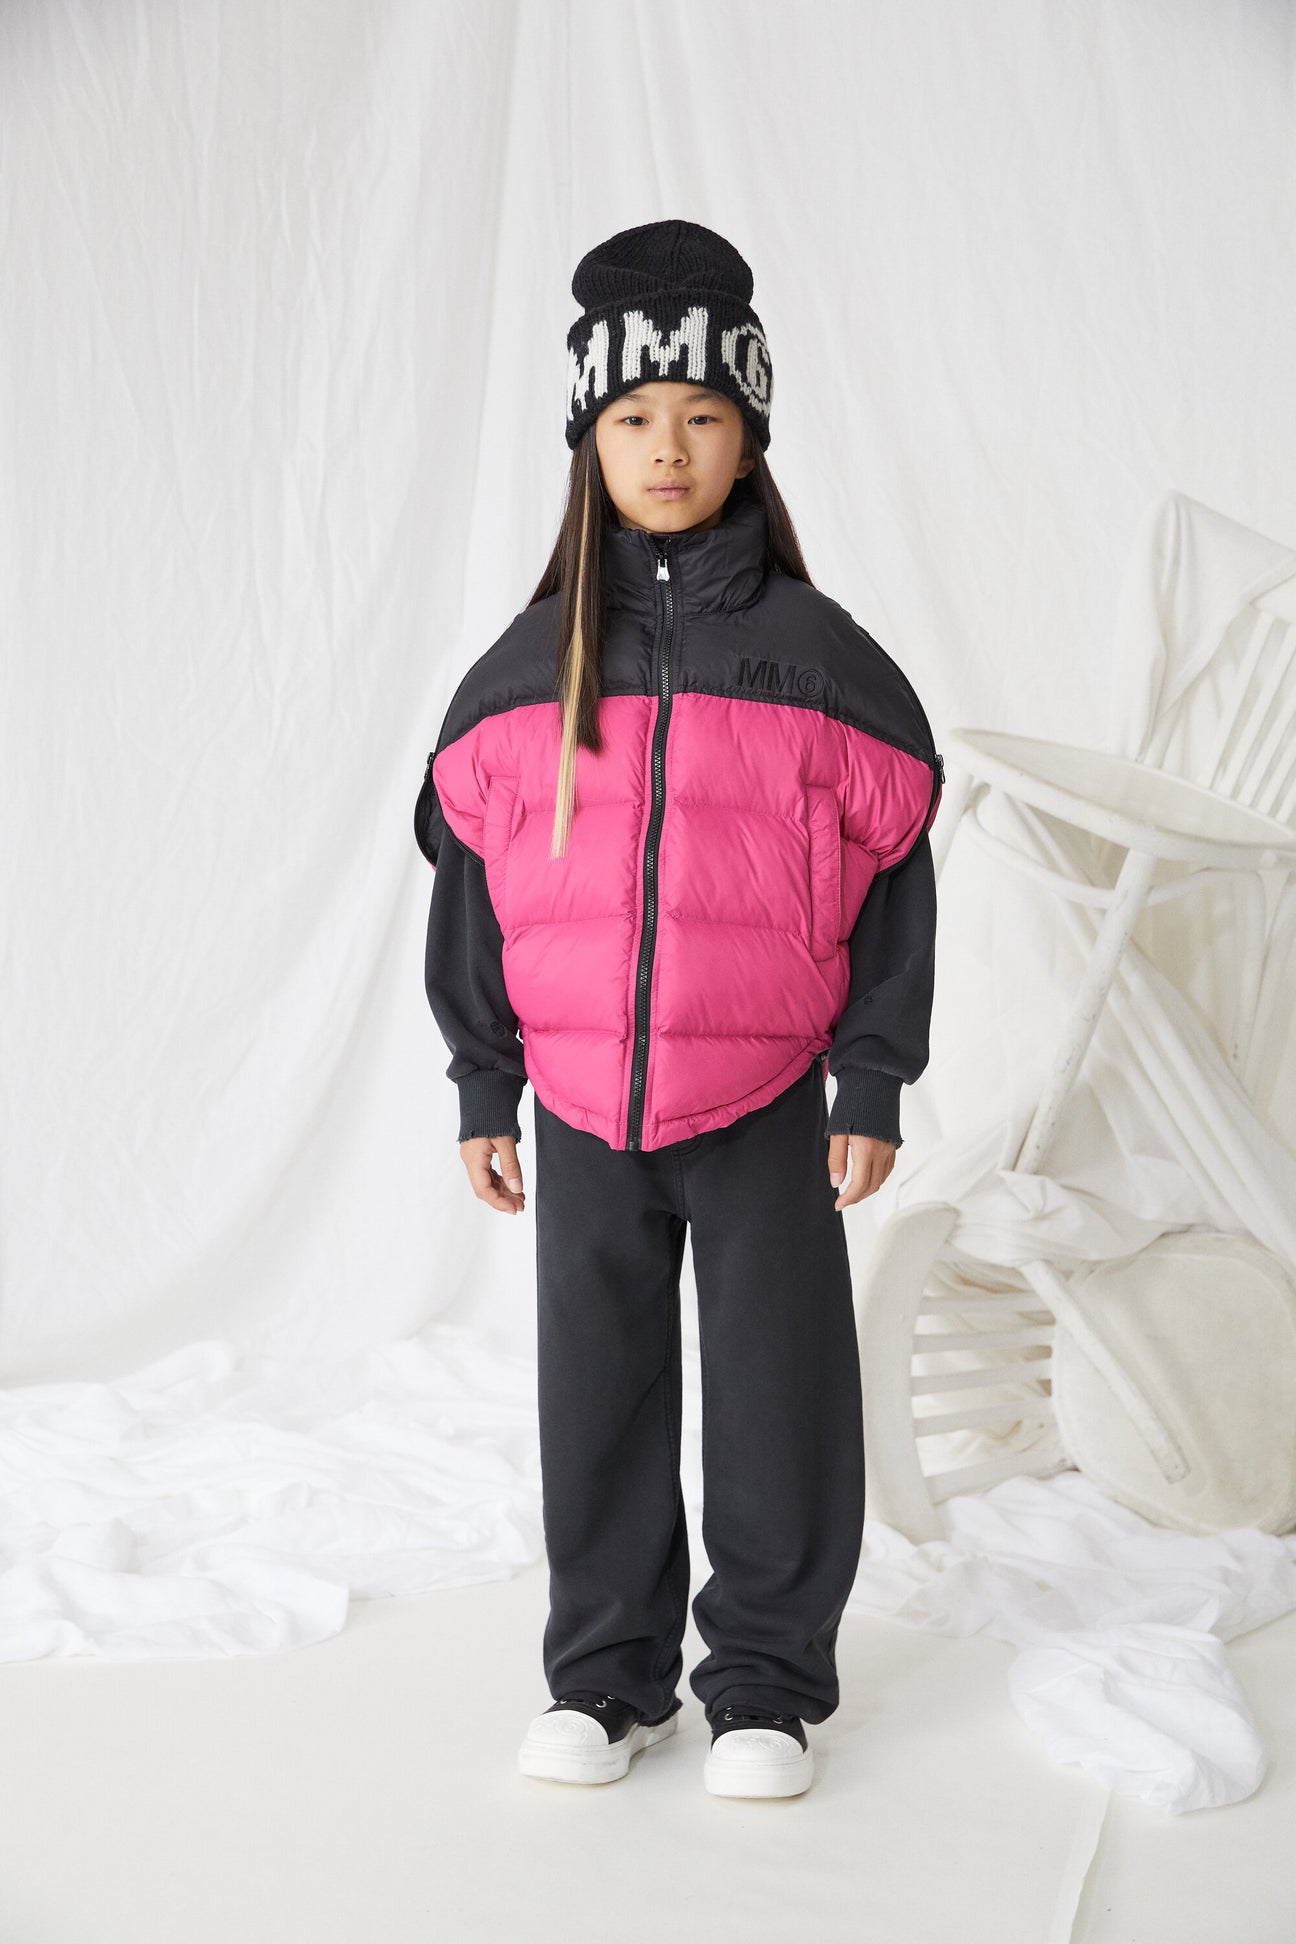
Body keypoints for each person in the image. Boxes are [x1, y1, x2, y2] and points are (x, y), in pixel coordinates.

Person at [414, 218, 943, 1800]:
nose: (667, 446)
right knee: (599, 1390)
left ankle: (766, 1687)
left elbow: (896, 881)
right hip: (581, 1104)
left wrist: (871, 1078)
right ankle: (607, 1678)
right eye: (635, 416)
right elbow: (471, 892)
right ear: (589, 438)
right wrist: (483, 1081)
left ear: (749, 435)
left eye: (704, 415)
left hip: (768, 1097)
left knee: (779, 1389)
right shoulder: (524, 672)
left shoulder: (820, 661)